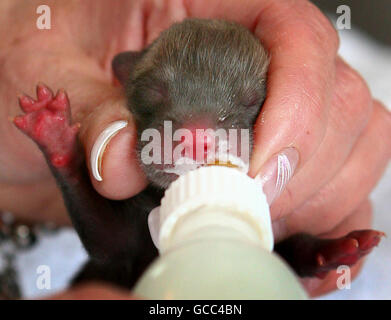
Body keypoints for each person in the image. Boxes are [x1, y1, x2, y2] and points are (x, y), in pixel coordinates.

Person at [0, 0, 390, 299]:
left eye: (247, 107)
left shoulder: (269, 205)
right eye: (156, 95)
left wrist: (311, 253)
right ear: (123, 81)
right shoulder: (134, 185)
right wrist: (68, 157)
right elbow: (111, 247)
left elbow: (271, 259)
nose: (194, 140)